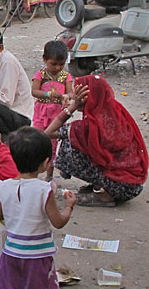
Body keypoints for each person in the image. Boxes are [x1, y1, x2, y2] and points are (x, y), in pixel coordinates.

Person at [0, 126, 76, 289]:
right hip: (38, 255)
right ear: (46, 163)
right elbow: (58, 222)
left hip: (11, 252)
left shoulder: (4, 187)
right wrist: (69, 206)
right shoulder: (43, 190)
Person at [45, 75, 148, 206]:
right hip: (134, 185)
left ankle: (106, 195)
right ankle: (102, 186)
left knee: (69, 142)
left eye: (78, 93)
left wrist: (73, 106)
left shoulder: (88, 127)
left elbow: (48, 133)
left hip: (120, 185)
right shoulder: (116, 112)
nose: (75, 96)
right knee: (90, 146)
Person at [31, 41, 73, 180]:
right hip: (41, 113)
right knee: (37, 141)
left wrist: (66, 97)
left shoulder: (66, 76)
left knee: (52, 145)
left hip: (56, 115)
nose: (57, 67)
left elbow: (71, 93)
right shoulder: (40, 75)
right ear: (45, 59)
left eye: (61, 64)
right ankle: (32, 173)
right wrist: (48, 94)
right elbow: (34, 91)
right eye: (53, 64)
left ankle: (49, 176)